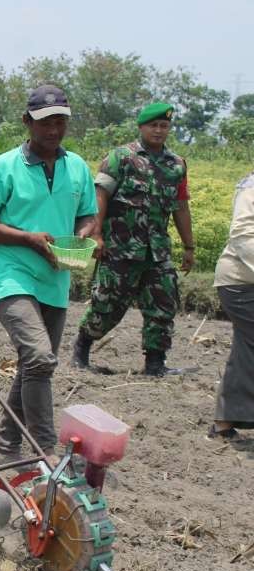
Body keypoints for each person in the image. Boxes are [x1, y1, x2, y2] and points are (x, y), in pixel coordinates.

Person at [0, 85, 97, 462]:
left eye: (60, 122)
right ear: (27, 122)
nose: (53, 130)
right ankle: (45, 450)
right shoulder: (3, 167)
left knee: (34, 365)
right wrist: (27, 238)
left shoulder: (77, 168)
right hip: (13, 273)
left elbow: (88, 214)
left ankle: (8, 448)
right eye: (45, 122)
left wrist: (84, 235)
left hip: (56, 276)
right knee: (40, 357)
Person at [71, 102, 195, 376]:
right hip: (119, 250)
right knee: (107, 304)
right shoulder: (120, 157)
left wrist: (189, 246)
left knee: (163, 307)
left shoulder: (176, 165)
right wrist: (97, 234)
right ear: (141, 127)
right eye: (154, 125)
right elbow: (100, 194)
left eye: (164, 126)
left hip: (157, 253)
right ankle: (80, 352)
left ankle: (155, 364)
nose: (159, 131)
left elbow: (181, 206)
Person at [209, 171, 254, 440]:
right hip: (240, 282)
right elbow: (243, 234)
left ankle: (224, 421)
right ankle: (225, 420)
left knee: (246, 347)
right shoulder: (252, 187)